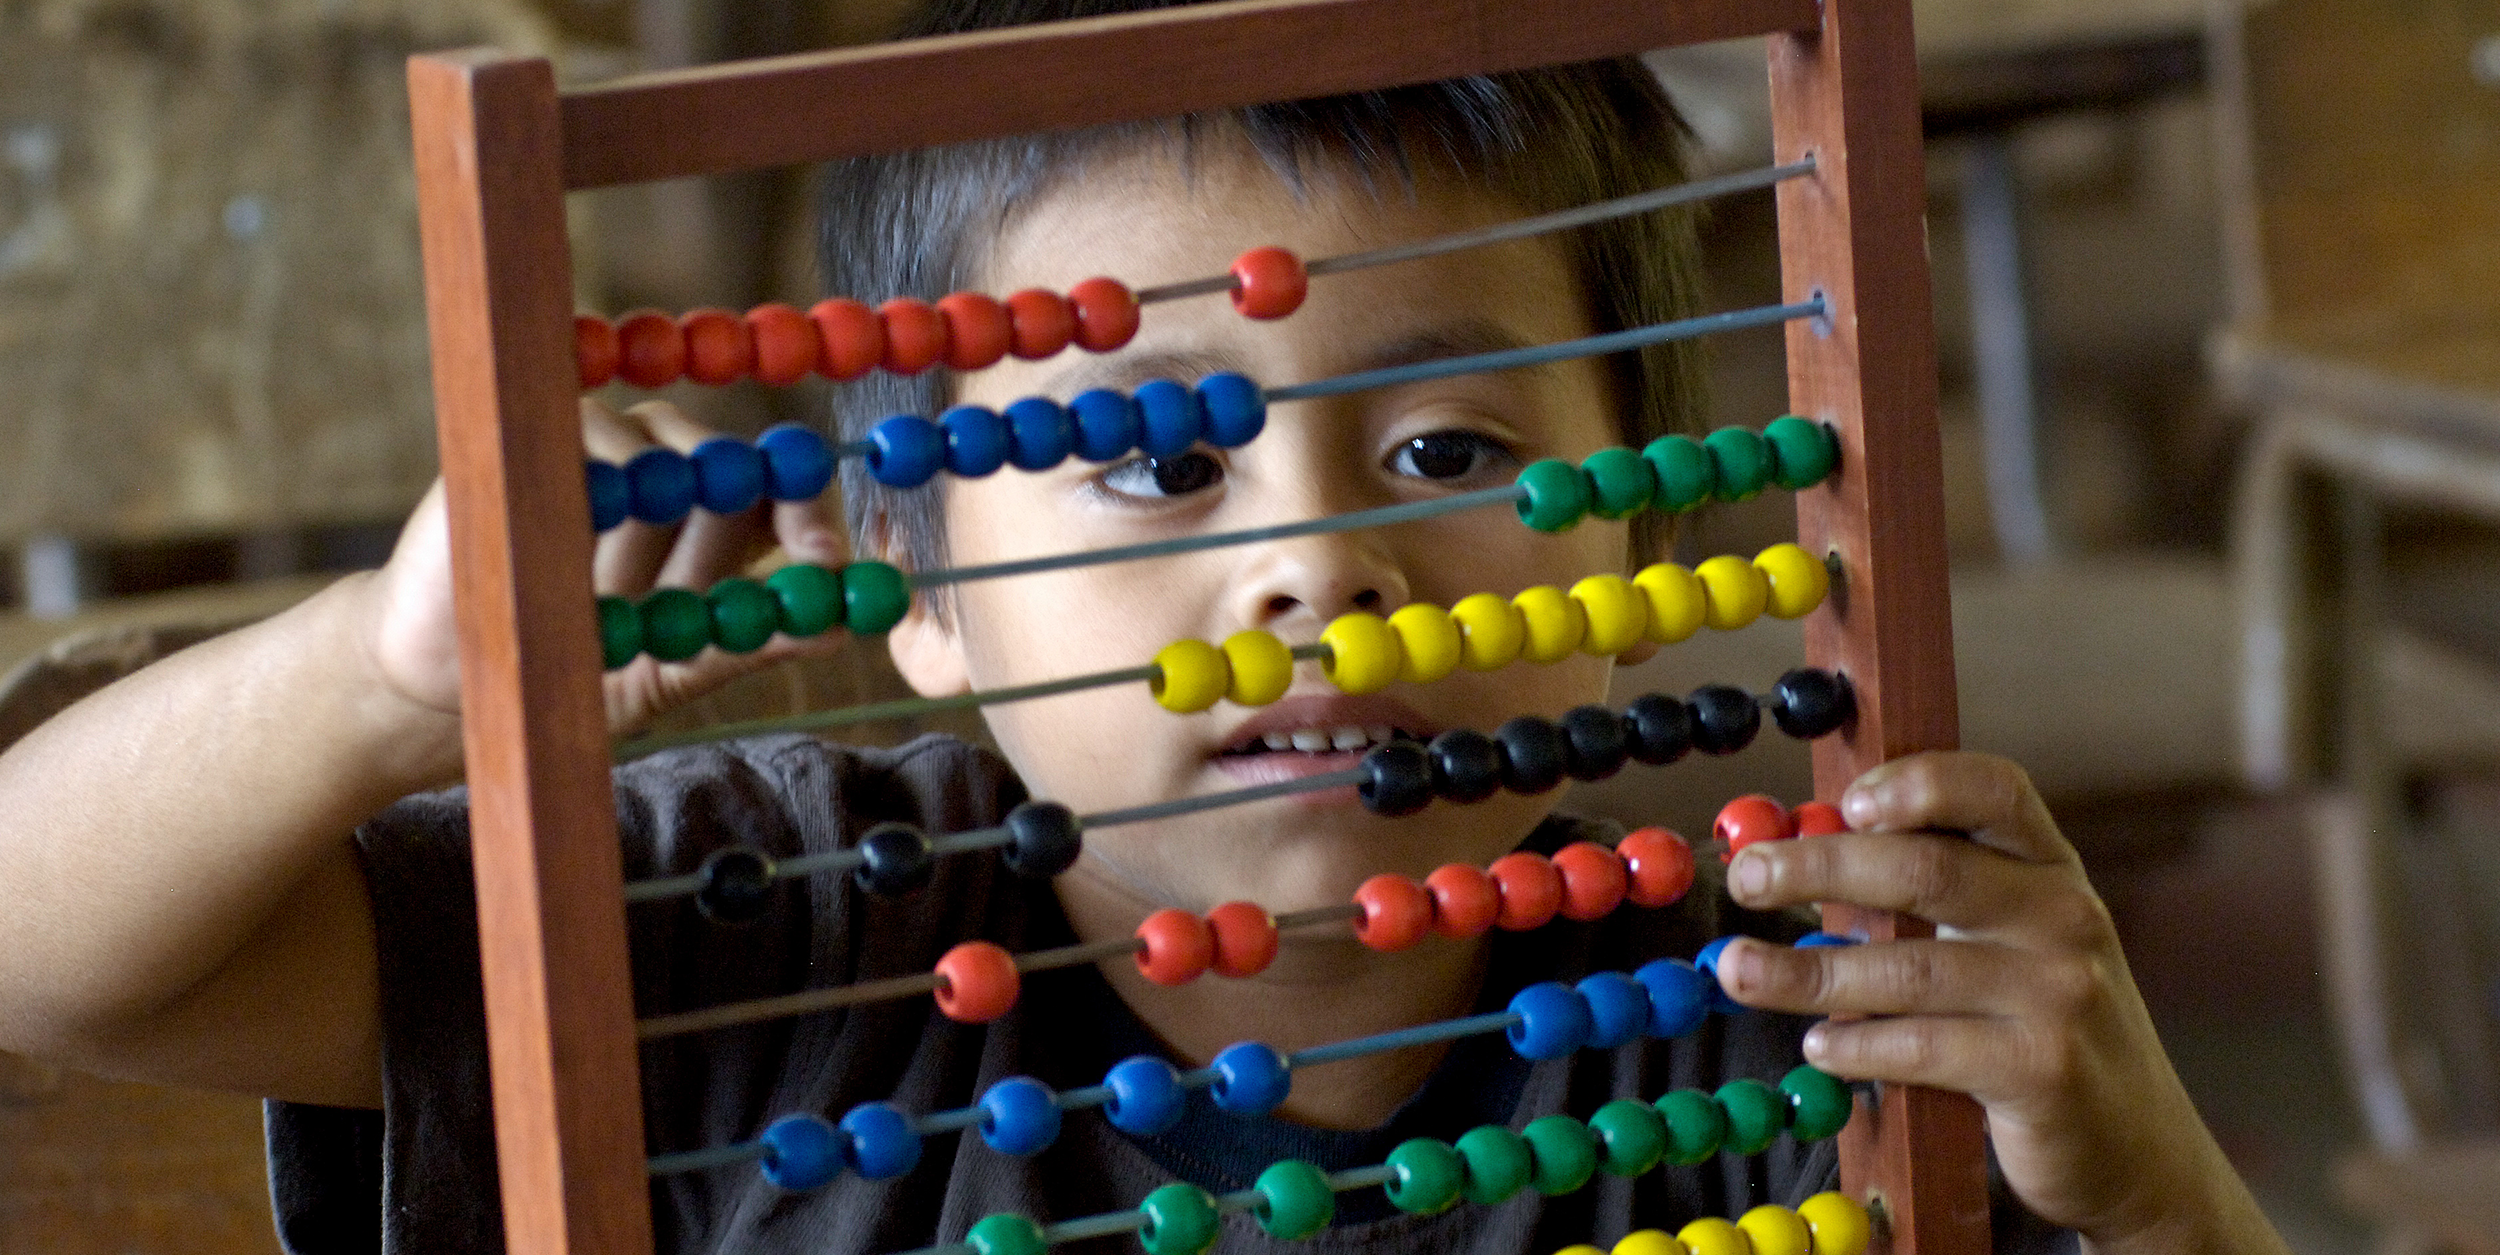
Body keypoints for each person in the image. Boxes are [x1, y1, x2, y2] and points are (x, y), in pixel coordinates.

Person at [0, 1, 2293, 1252]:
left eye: (1444, 456)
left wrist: (2157, 1193)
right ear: (922, 589)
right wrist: (382, 683)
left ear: (1639, 550)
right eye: (1155, 461)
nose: (1314, 568)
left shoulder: (1790, 1028)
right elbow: (40, 950)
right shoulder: (752, 938)